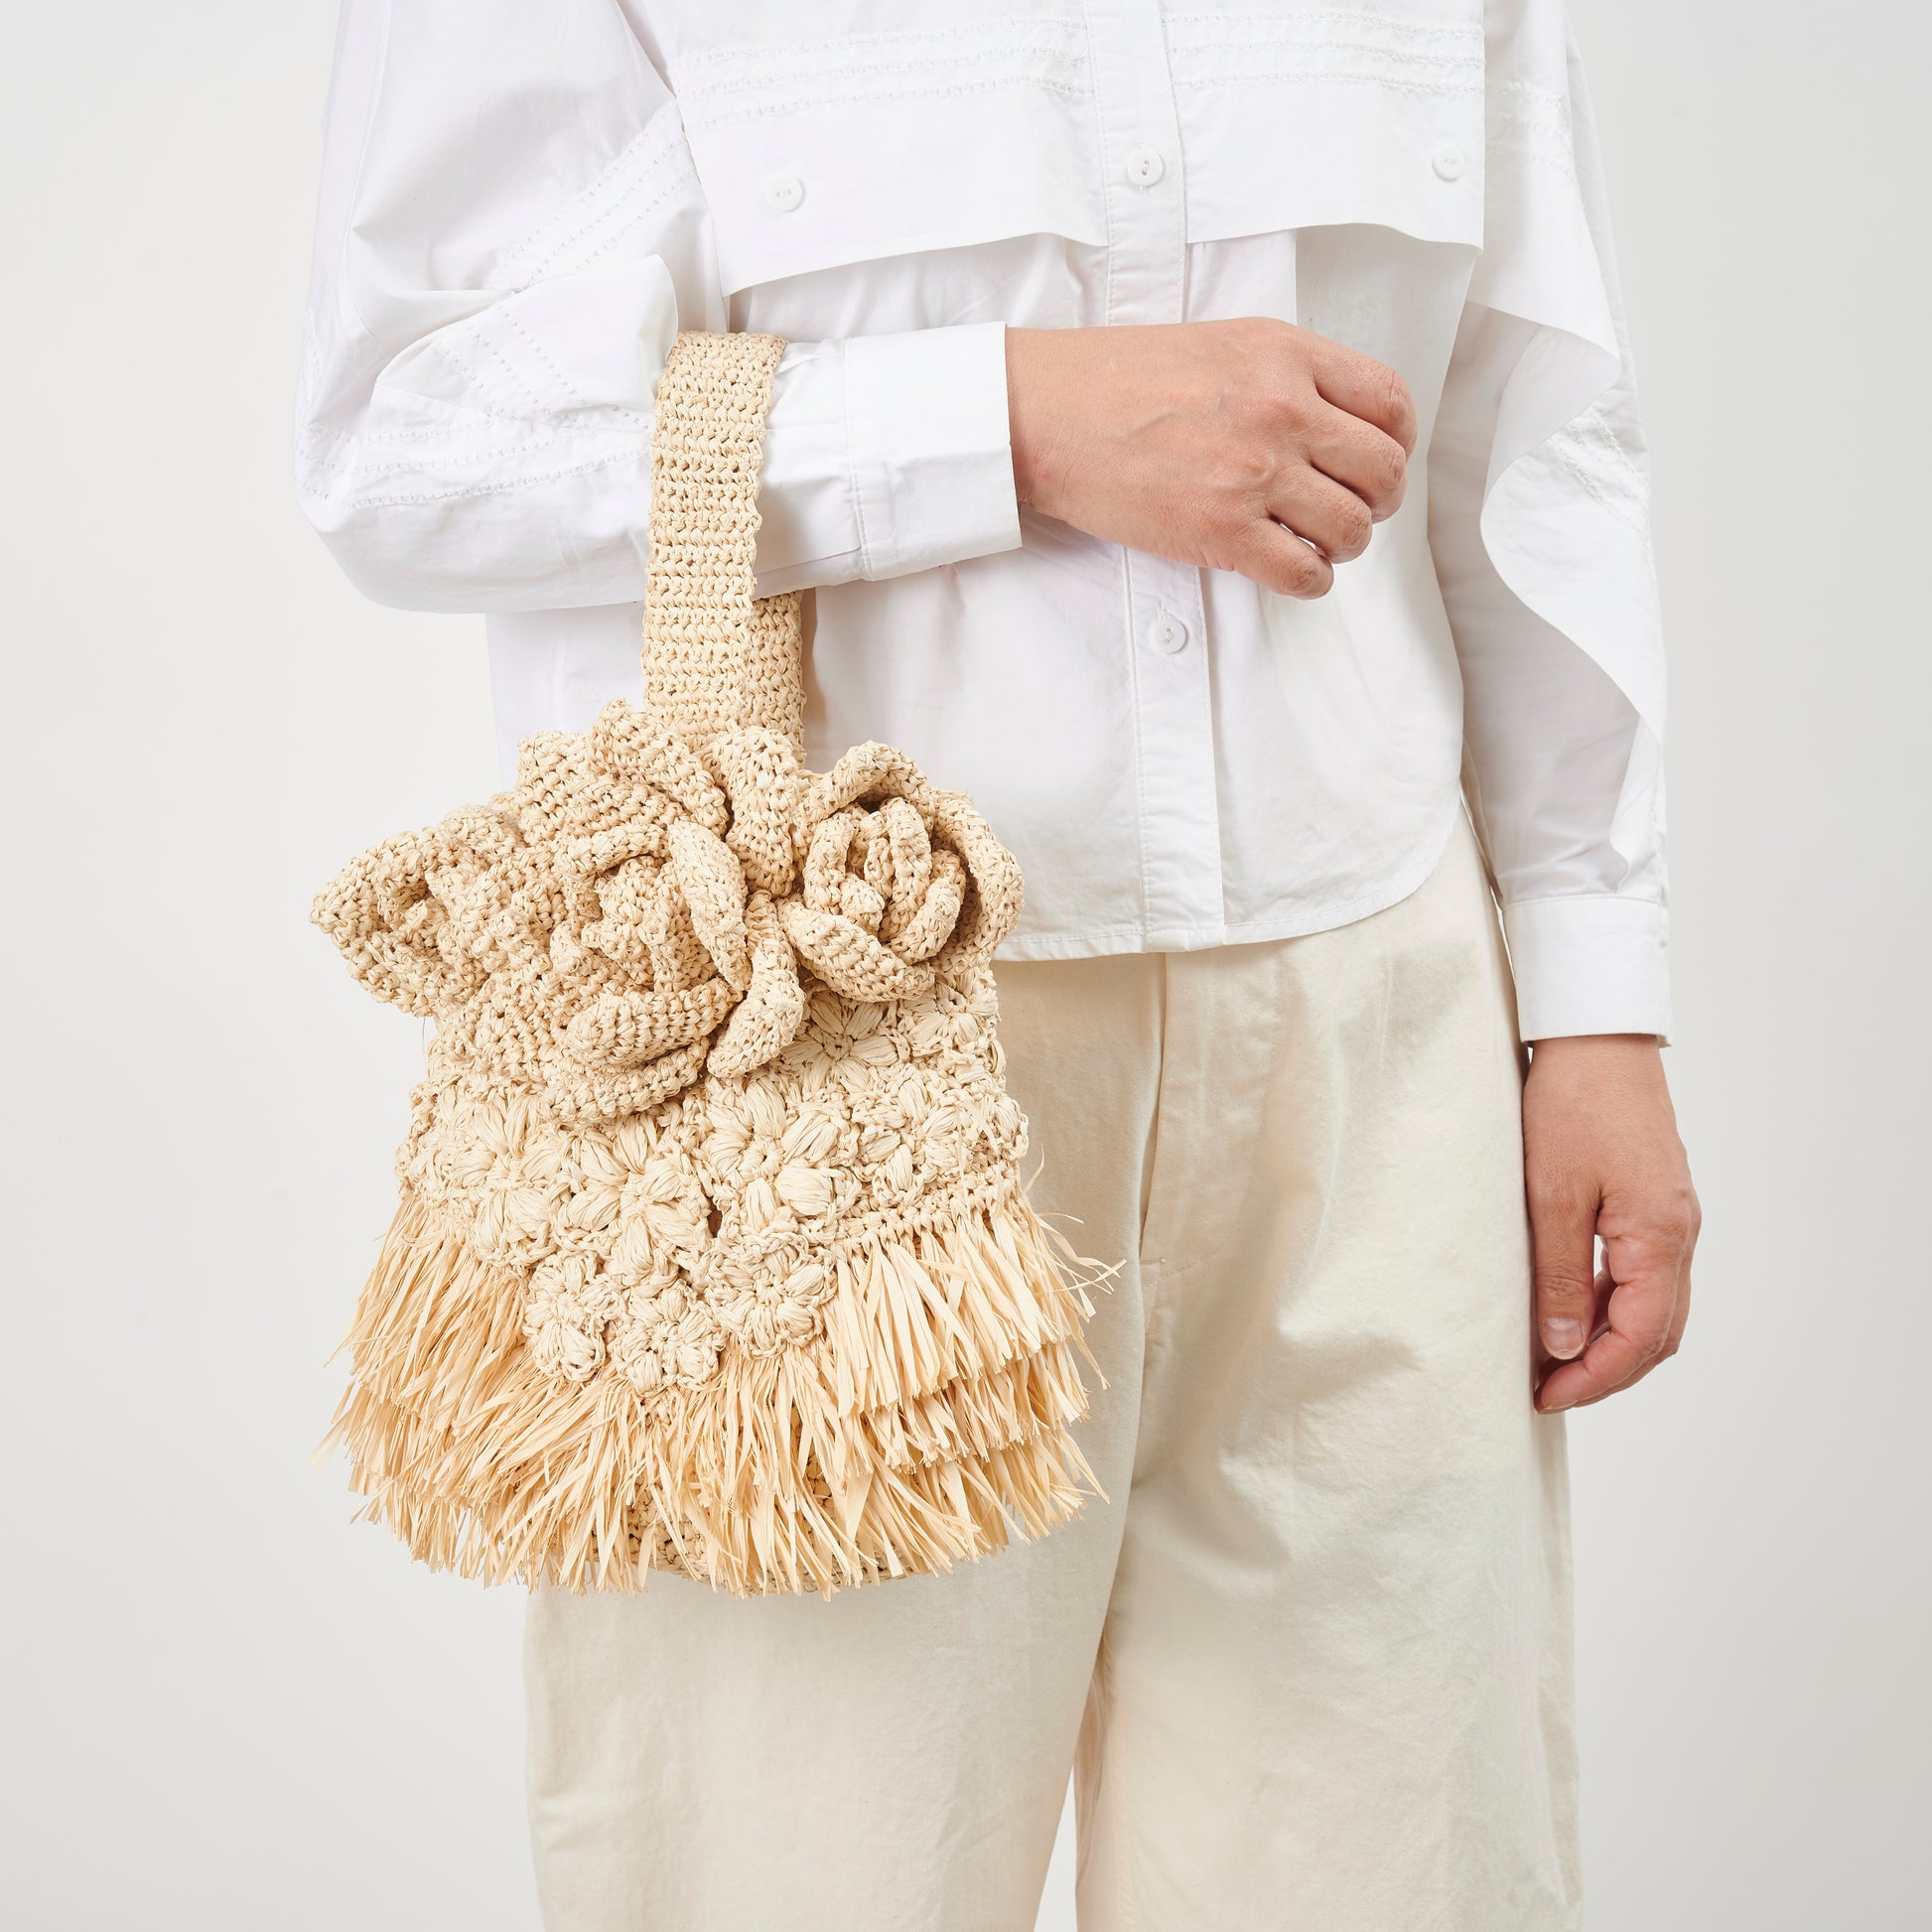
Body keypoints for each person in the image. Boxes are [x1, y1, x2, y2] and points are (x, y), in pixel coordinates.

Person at [296, 2, 1700, 1925]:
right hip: (799, 1060)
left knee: (1394, 1864)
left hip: (1383, 1017)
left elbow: (1534, 430)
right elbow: (406, 441)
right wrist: (1006, 424)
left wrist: (1596, 999)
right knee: (796, 1871)